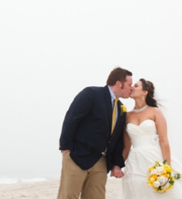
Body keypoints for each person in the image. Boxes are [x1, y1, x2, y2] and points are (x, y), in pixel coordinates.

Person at [121, 79, 182, 199]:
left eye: (136, 86)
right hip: (135, 161)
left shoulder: (155, 112)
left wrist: (167, 167)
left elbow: (163, 140)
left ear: (144, 92)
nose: (132, 88)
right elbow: (126, 146)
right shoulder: (126, 116)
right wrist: (116, 165)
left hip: (154, 157)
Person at [57, 67, 133, 199]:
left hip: (101, 162)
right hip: (77, 156)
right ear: (119, 84)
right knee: (68, 196)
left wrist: (116, 163)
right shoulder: (91, 94)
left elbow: (117, 139)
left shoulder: (121, 109)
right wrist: (66, 148)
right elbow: (72, 119)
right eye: (129, 84)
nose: (131, 88)